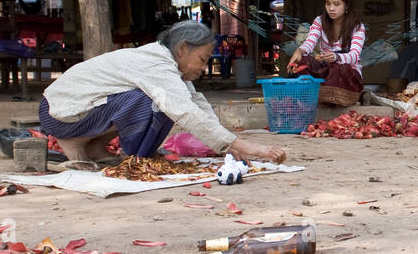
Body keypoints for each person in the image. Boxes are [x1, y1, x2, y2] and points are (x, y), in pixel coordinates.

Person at [39, 20, 286, 165]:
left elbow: (196, 103)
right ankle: (118, 152)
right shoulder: (157, 65)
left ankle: (92, 148)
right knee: (154, 102)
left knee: (162, 100)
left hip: (66, 111)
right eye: (202, 59)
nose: (202, 67)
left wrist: (230, 145)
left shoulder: (166, 63)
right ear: (181, 49)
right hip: (62, 114)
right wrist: (248, 147)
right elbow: (185, 110)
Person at [286, 0, 366, 95]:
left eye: (336, 4)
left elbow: (354, 56)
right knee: (301, 62)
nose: (331, 8)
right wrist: (299, 51)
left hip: (347, 73)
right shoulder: (319, 21)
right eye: (328, 4)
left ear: (346, 6)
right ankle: (316, 93)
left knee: (338, 70)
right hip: (324, 70)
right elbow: (309, 43)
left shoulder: (357, 26)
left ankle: (323, 92)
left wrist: (336, 57)